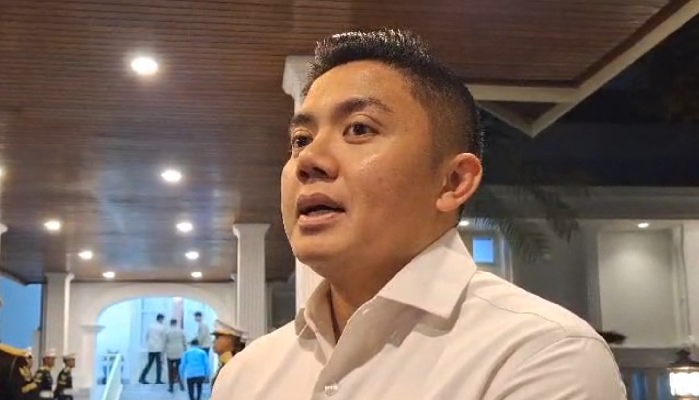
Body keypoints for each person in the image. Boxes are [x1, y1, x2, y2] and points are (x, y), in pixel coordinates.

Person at [211, 29, 626, 399]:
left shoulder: (538, 355)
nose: (308, 160)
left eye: (359, 128)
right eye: (301, 139)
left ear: (453, 182)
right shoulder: (247, 377)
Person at [210, 320, 245, 386]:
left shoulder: (235, 364)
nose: (213, 341)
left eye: (217, 337)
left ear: (230, 339)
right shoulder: (224, 361)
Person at [138, 313, 166, 384]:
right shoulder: (162, 327)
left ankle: (142, 377)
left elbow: (147, 337)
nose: (163, 321)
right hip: (158, 348)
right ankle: (158, 380)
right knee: (159, 365)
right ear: (161, 319)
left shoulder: (150, 326)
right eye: (163, 319)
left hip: (151, 348)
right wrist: (163, 349)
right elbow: (163, 339)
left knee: (149, 363)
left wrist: (150, 344)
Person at [164, 318, 187, 393]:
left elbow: (165, 342)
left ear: (170, 323)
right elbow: (184, 341)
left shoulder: (167, 331)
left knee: (170, 371)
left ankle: (171, 387)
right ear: (176, 323)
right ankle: (181, 386)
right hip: (179, 352)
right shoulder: (181, 331)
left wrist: (163, 352)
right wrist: (185, 349)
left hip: (170, 353)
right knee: (179, 370)